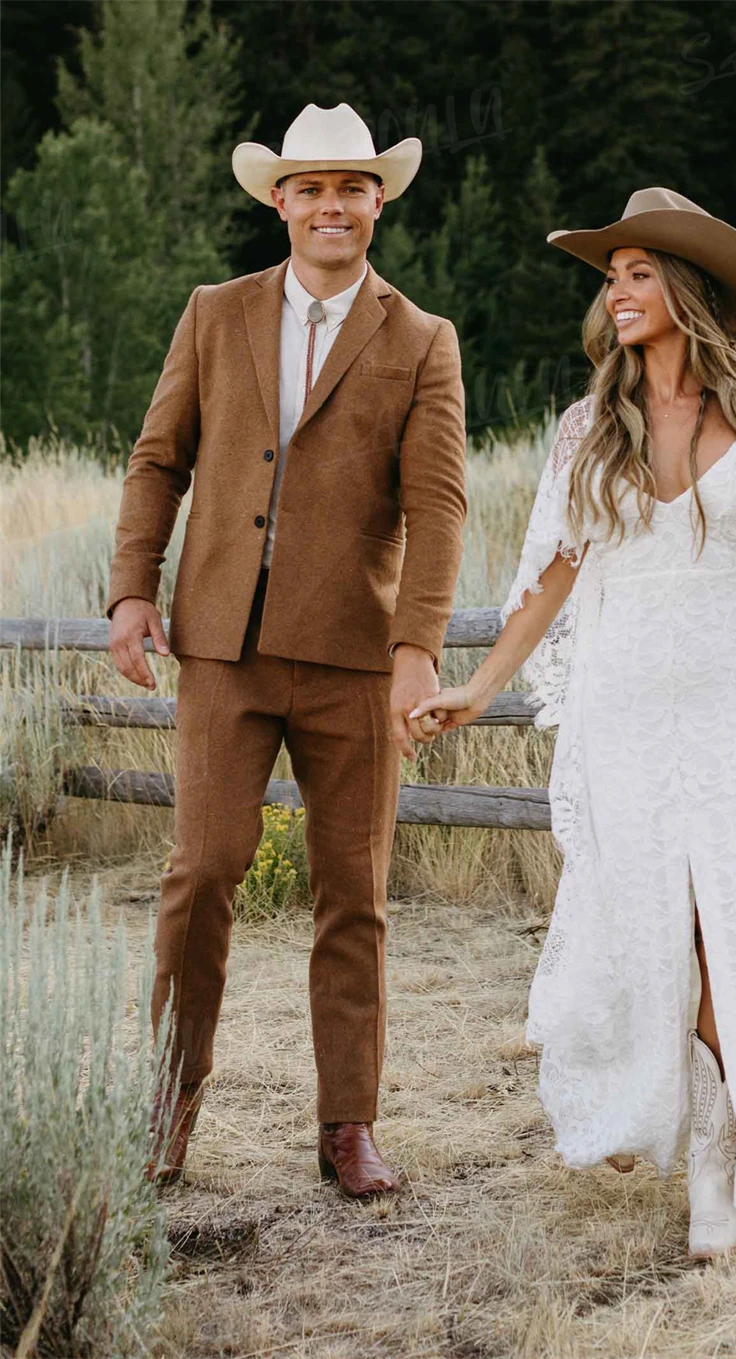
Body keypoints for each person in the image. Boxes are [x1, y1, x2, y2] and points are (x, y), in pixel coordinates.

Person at [409, 187, 736, 1256]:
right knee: (648, 928)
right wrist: (477, 688)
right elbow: (547, 578)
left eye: (638, 273)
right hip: (622, 712)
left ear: (687, 290)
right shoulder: (587, 430)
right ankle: (650, 1113)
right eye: (611, 276)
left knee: (728, 932)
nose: (616, 292)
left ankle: (718, 1171)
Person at [106, 102, 467, 1196]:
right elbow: (157, 459)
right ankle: (169, 1114)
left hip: (356, 656)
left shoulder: (422, 338)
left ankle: (346, 1126)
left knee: (352, 891)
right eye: (309, 188)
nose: (330, 206)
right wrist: (132, 592)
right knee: (201, 871)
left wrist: (418, 646)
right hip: (222, 646)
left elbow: (440, 506)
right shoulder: (214, 314)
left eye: (351, 188)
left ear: (378, 202)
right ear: (279, 201)